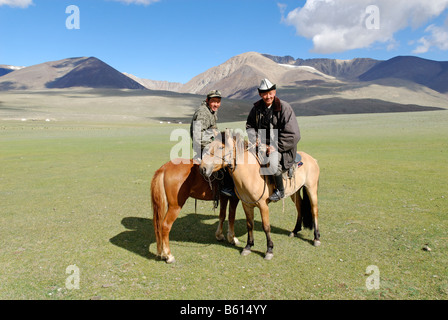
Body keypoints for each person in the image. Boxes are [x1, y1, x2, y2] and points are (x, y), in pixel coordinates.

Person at [246, 79, 301, 202]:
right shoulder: (256, 109)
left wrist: (275, 146)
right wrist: (254, 138)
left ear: (274, 92)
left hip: (282, 147)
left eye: (270, 93)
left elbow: (293, 134)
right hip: (261, 146)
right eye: (264, 94)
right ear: (260, 94)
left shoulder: (284, 107)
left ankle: (280, 191)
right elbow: (250, 125)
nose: (268, 96)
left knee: (273, 162)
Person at [190, 90, 236, 197]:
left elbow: (213, 130)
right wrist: (211, 146)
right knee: (225, 161)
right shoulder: (203, 113)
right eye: (213, 101)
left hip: (209, 143)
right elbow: (197, 136)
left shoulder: (211, 111)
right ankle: (226, 188)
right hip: (202, 145)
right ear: (207, 100)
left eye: (218, 102)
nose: (216, 104)